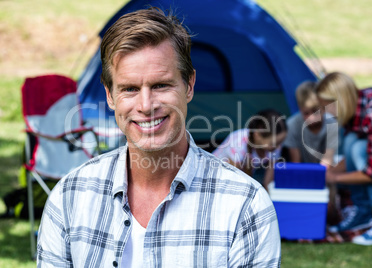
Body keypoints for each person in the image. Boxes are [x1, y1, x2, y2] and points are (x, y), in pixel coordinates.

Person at [37, 8, 281, 267]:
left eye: (161, 85)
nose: (145, 105)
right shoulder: (69, 197)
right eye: (129, 89)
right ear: (110, 96)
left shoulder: (246, 206)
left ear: (189, 85)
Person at [316, 71, 372, 245]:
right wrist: (327, 172)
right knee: (351, 141)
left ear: (339, 102)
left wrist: (334, 177)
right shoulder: (355, 107)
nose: (323, 112)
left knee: (360, 149)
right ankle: (362, 213)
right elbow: (353, 157)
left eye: (326, 107)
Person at [213, 109, 287, 189]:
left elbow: (268, 182)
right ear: (257, 135)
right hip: (217, 176)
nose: (279, 147)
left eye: (280, 142)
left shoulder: (275, 147)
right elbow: (231, 180)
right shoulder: (237, 143)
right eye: (273, 144)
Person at [283, 80, 338, 166]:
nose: (311, 118)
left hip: (325, 171)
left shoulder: (331, 123)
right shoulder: (292, 125)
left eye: (315, 111)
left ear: (323, 107)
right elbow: (296, 163)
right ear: (300, 108)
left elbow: (327, 161)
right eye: (306, 113)